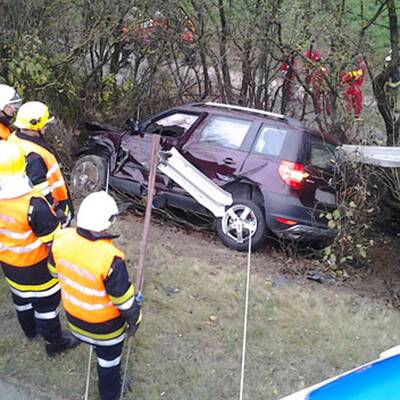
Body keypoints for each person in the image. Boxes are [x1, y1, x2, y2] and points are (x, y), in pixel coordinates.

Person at [48, 191, 142, 400]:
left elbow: (54, 272)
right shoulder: (111, 259)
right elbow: (125, 303)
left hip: (74, 320)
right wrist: (136, 318)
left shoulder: (60, 239)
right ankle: (110, 393)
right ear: (107, 222)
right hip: (106, 330)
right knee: (108, 363)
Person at [0, 141, 78, 355]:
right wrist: (60, 221)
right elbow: (54, 239)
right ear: (21, 167)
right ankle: (54, 344)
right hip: (38, 268)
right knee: (47, 307)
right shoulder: (33, 203)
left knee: (21, 300)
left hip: (9, 266)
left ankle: (30, 331)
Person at [9, 101, 73, 226]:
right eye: (44, 124)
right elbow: (40, 190)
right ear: (35, 125)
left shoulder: (14, 137)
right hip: (52, 207)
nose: (45, 127)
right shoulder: (33, 156)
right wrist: (57, 211)